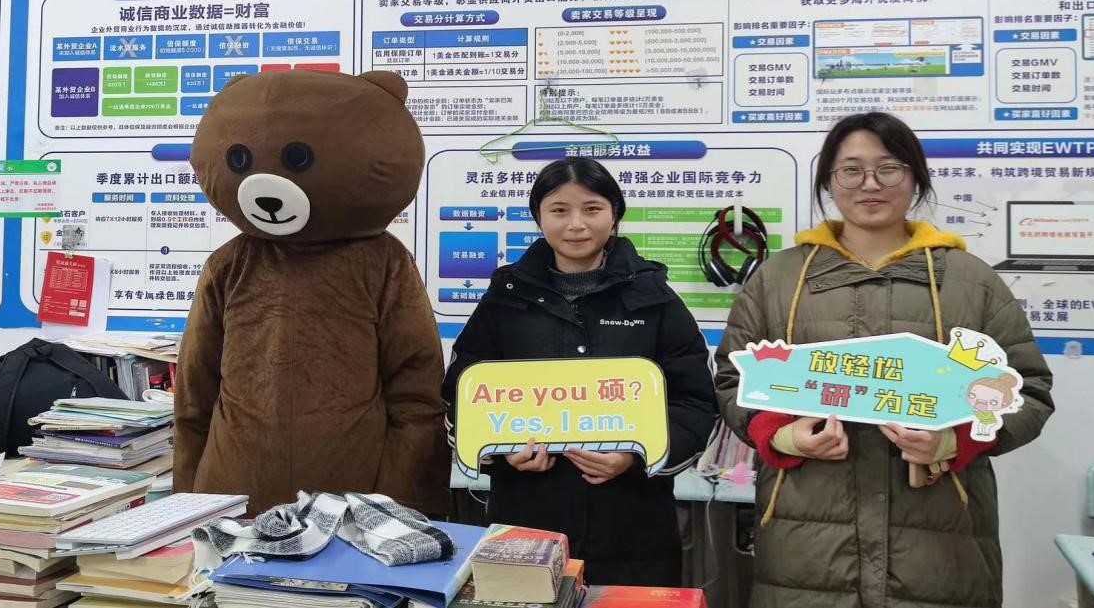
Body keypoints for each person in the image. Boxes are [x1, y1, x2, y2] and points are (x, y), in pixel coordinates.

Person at [715, 111, 1053, 608]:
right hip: (805, 547)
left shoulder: (970, 281)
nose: (870, 183)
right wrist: (782, 436)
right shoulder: (778, 279)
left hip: (940, 546)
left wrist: (952, 440)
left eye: (889, 168)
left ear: (915, 177)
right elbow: (733, 379)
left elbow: (1027, 390)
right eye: (851, 169)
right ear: (829, 181)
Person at [442, 157, 717, 586]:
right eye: (559, 210)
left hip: (634, 530)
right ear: (538, 217)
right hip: (526, 525)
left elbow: (695, 401)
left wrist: (636, 457)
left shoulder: (654, 299)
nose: (576, 224)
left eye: (592, 209)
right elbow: (462, 394)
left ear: (614, 214)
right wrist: (501, 451)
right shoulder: (505, 300)